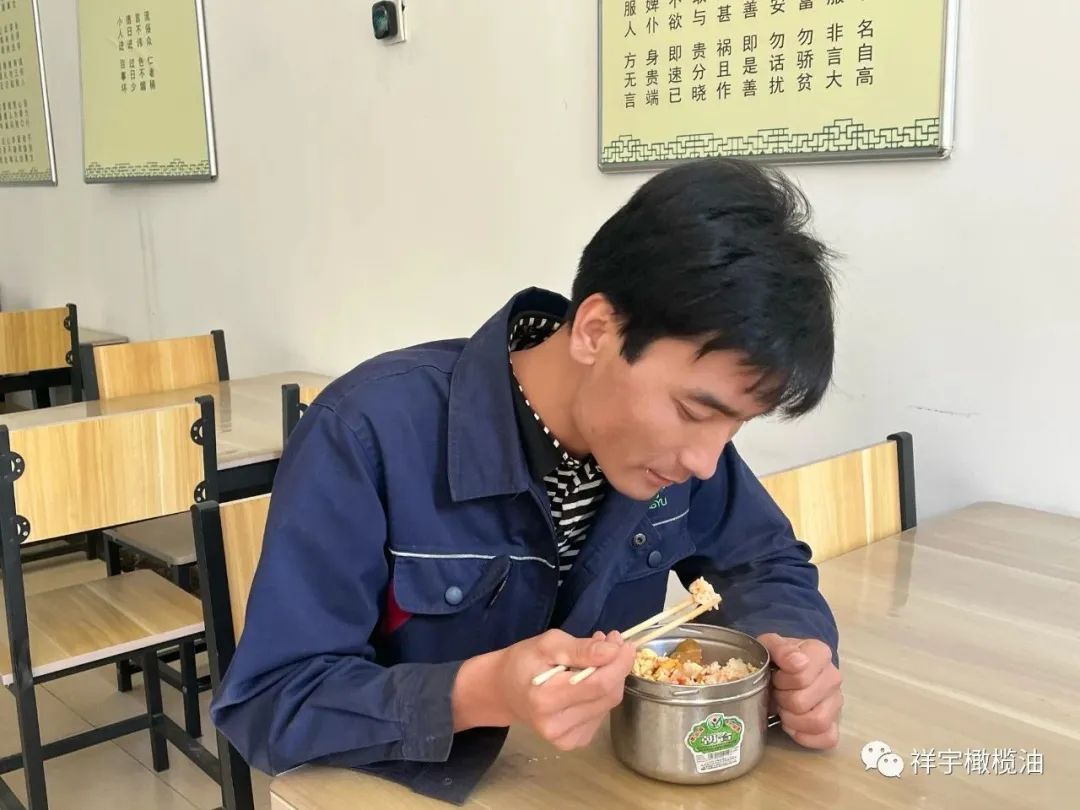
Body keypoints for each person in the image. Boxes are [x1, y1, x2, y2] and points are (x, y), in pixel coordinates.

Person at [211, 158, 844, 803]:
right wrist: (480, 692)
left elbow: (765, 561)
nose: (707, 460)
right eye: (693, 411)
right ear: (596, 331)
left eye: (735, 426)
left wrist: (795, 646)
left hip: (586, 786)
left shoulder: (674, 454)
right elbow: (270, 702)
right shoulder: (369, 432)